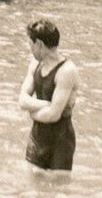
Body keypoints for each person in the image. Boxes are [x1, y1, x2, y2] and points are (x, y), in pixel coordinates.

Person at [19, 19, 79, 172]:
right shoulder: (35, 64)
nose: (30, 49)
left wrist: (31, 112)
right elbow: (22, 101)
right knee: (31, 187)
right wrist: (46, 104)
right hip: (37, 137)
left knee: (58, 190)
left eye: (30, 45)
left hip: (60, 140)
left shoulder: (67, 70)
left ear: (38, 43)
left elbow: (53, 115)